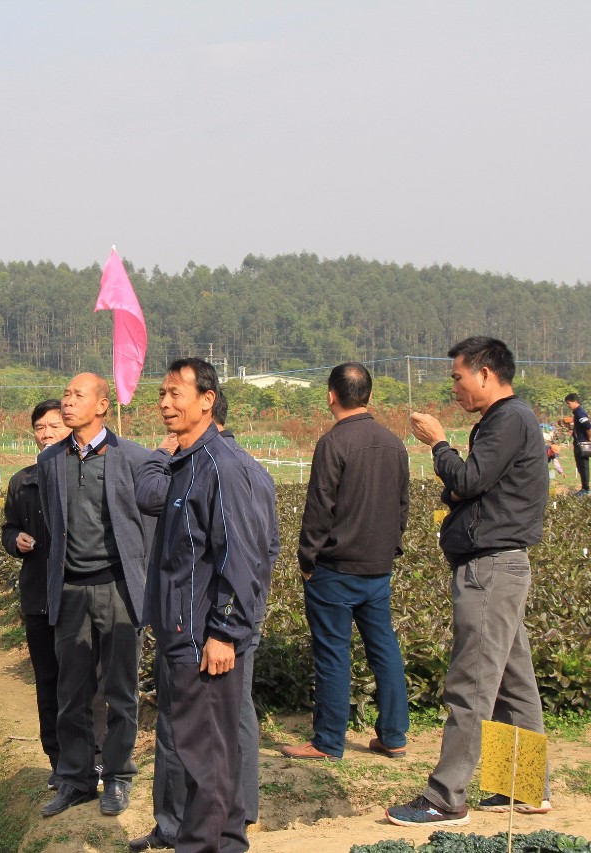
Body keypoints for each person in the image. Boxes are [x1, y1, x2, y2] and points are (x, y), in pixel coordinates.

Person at [387, 337, 551, 827]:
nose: (454, 386)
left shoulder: (509, 418)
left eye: (458, 376)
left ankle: (446, 796)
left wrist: (439, 442)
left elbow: (469, 479)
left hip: (491, 568)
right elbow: (466, 483)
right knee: (511, 684)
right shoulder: (506, 421)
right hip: (497, 565)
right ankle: (523, 788)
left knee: (472, 684)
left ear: (485, 373)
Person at [129, 390, 279, 851]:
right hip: (189, 627)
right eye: (161, 393)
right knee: (211, 747)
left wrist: (224, 631)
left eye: (175, 393)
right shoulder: (195, 464)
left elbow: (243, 558)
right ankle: (226, 839)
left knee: (205, 755)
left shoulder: (223, 467)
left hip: (205, 633)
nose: (164, 403)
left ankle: (202, 843)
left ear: (207, 402)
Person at [37, 373, 155, 818]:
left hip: (118, 588)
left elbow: (148, 527)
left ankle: (119, 776)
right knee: (72, 689)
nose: (67, 403)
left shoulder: (134, 459)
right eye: (66, 394)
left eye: (77, 395)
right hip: (69, 589)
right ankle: (76, 778)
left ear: (103, 405)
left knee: (121, 689)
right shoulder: (51, 461)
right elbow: (53, 522)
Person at [280, 362, 410, 763]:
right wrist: (391, 549)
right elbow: (402, 506)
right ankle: (393, 735)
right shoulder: (394, 443)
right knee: (384, 647)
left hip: (334, 570)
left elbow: (319, 508)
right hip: (377, 567)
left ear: (331, 396)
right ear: (369, 395)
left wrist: (307, 558)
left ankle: (328, 741)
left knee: (333, 652)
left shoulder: (333, 444)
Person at [0, 399, 71, 788]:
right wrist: (17, 540)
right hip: (39, 596)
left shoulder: (82, 477)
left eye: (55, 426)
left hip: (77, 596)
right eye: (40, 427)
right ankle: (58, 759)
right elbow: (8, 529)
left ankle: (92, 758)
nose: (47, 433)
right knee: (48, 679)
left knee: (83, 681)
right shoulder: (22, 481)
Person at [564, 394, 591, 496]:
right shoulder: (576, 413)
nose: (568, 405)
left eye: (569, 403)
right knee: (580, 466)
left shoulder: (580, 413)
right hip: (578, 443)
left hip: (583, 443)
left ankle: (586, 489)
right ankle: (584, 487)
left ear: (575, 402)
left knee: (583, 466)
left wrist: (589, 438)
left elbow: (588, 427)